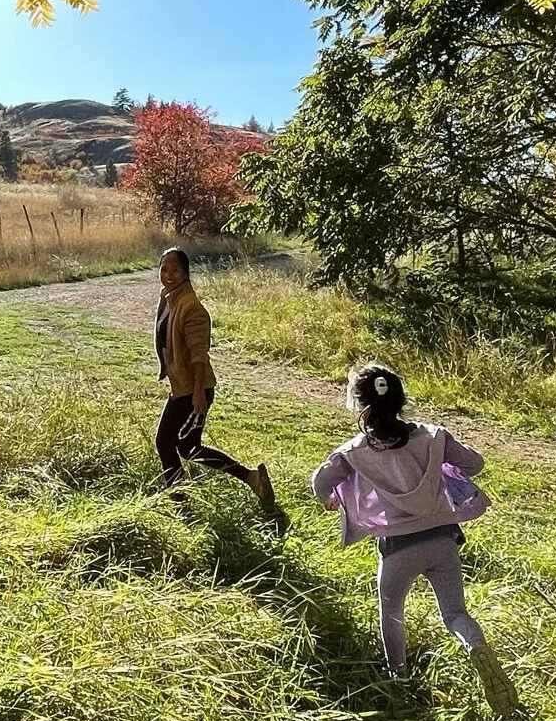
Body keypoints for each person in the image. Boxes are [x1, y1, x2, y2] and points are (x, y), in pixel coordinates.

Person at [312, 362, 504, 689]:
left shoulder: (353, 452)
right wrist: (445, 458)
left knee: (391, 614)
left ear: (360, 405)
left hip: (397, 549)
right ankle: (476, 646)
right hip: (442, 541)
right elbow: (475, 463)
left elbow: (320, 482)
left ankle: (397, 677)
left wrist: (331, 500)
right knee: (456, 613)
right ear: (401, 400)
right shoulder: (432, 436)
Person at [154, 247, 283, 519]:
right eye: (164, 269)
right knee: (187, 447)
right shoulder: (170, 299)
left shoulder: (192, 308)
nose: (168, 275)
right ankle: (250, 479)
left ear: (186, 273)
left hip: (193, 390)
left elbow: (199, 355)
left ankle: (179, 501)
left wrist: (199, 393)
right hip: (183, 387)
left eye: (174, 270)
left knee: (167, 442)